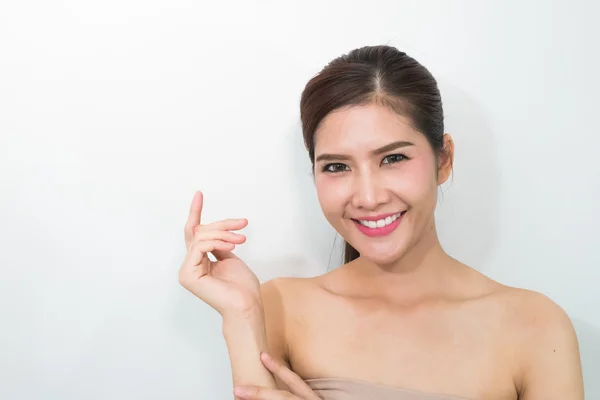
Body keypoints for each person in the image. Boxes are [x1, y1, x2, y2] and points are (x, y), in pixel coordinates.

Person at [179, 45, 584, 400]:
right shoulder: (277, 308)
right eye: (337, 166)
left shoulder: (535, 327)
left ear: (444, 160)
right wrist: (240, 316)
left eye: (393, 158)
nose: (369, 197)